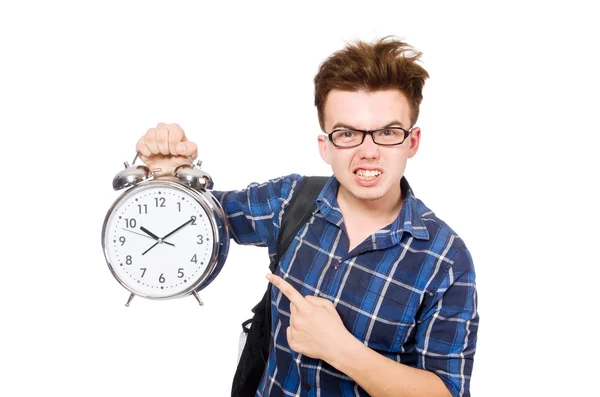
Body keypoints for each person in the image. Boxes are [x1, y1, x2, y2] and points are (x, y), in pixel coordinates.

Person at [136, 37, 478, 397]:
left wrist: (340, 349)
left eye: (387, 133)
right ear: (325, 147)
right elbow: (197, 222)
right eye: (347, 133)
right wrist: (167, 178)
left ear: (412, 141)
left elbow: (447, 391)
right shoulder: (291, 201)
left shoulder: (445, 258)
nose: (368, 152)